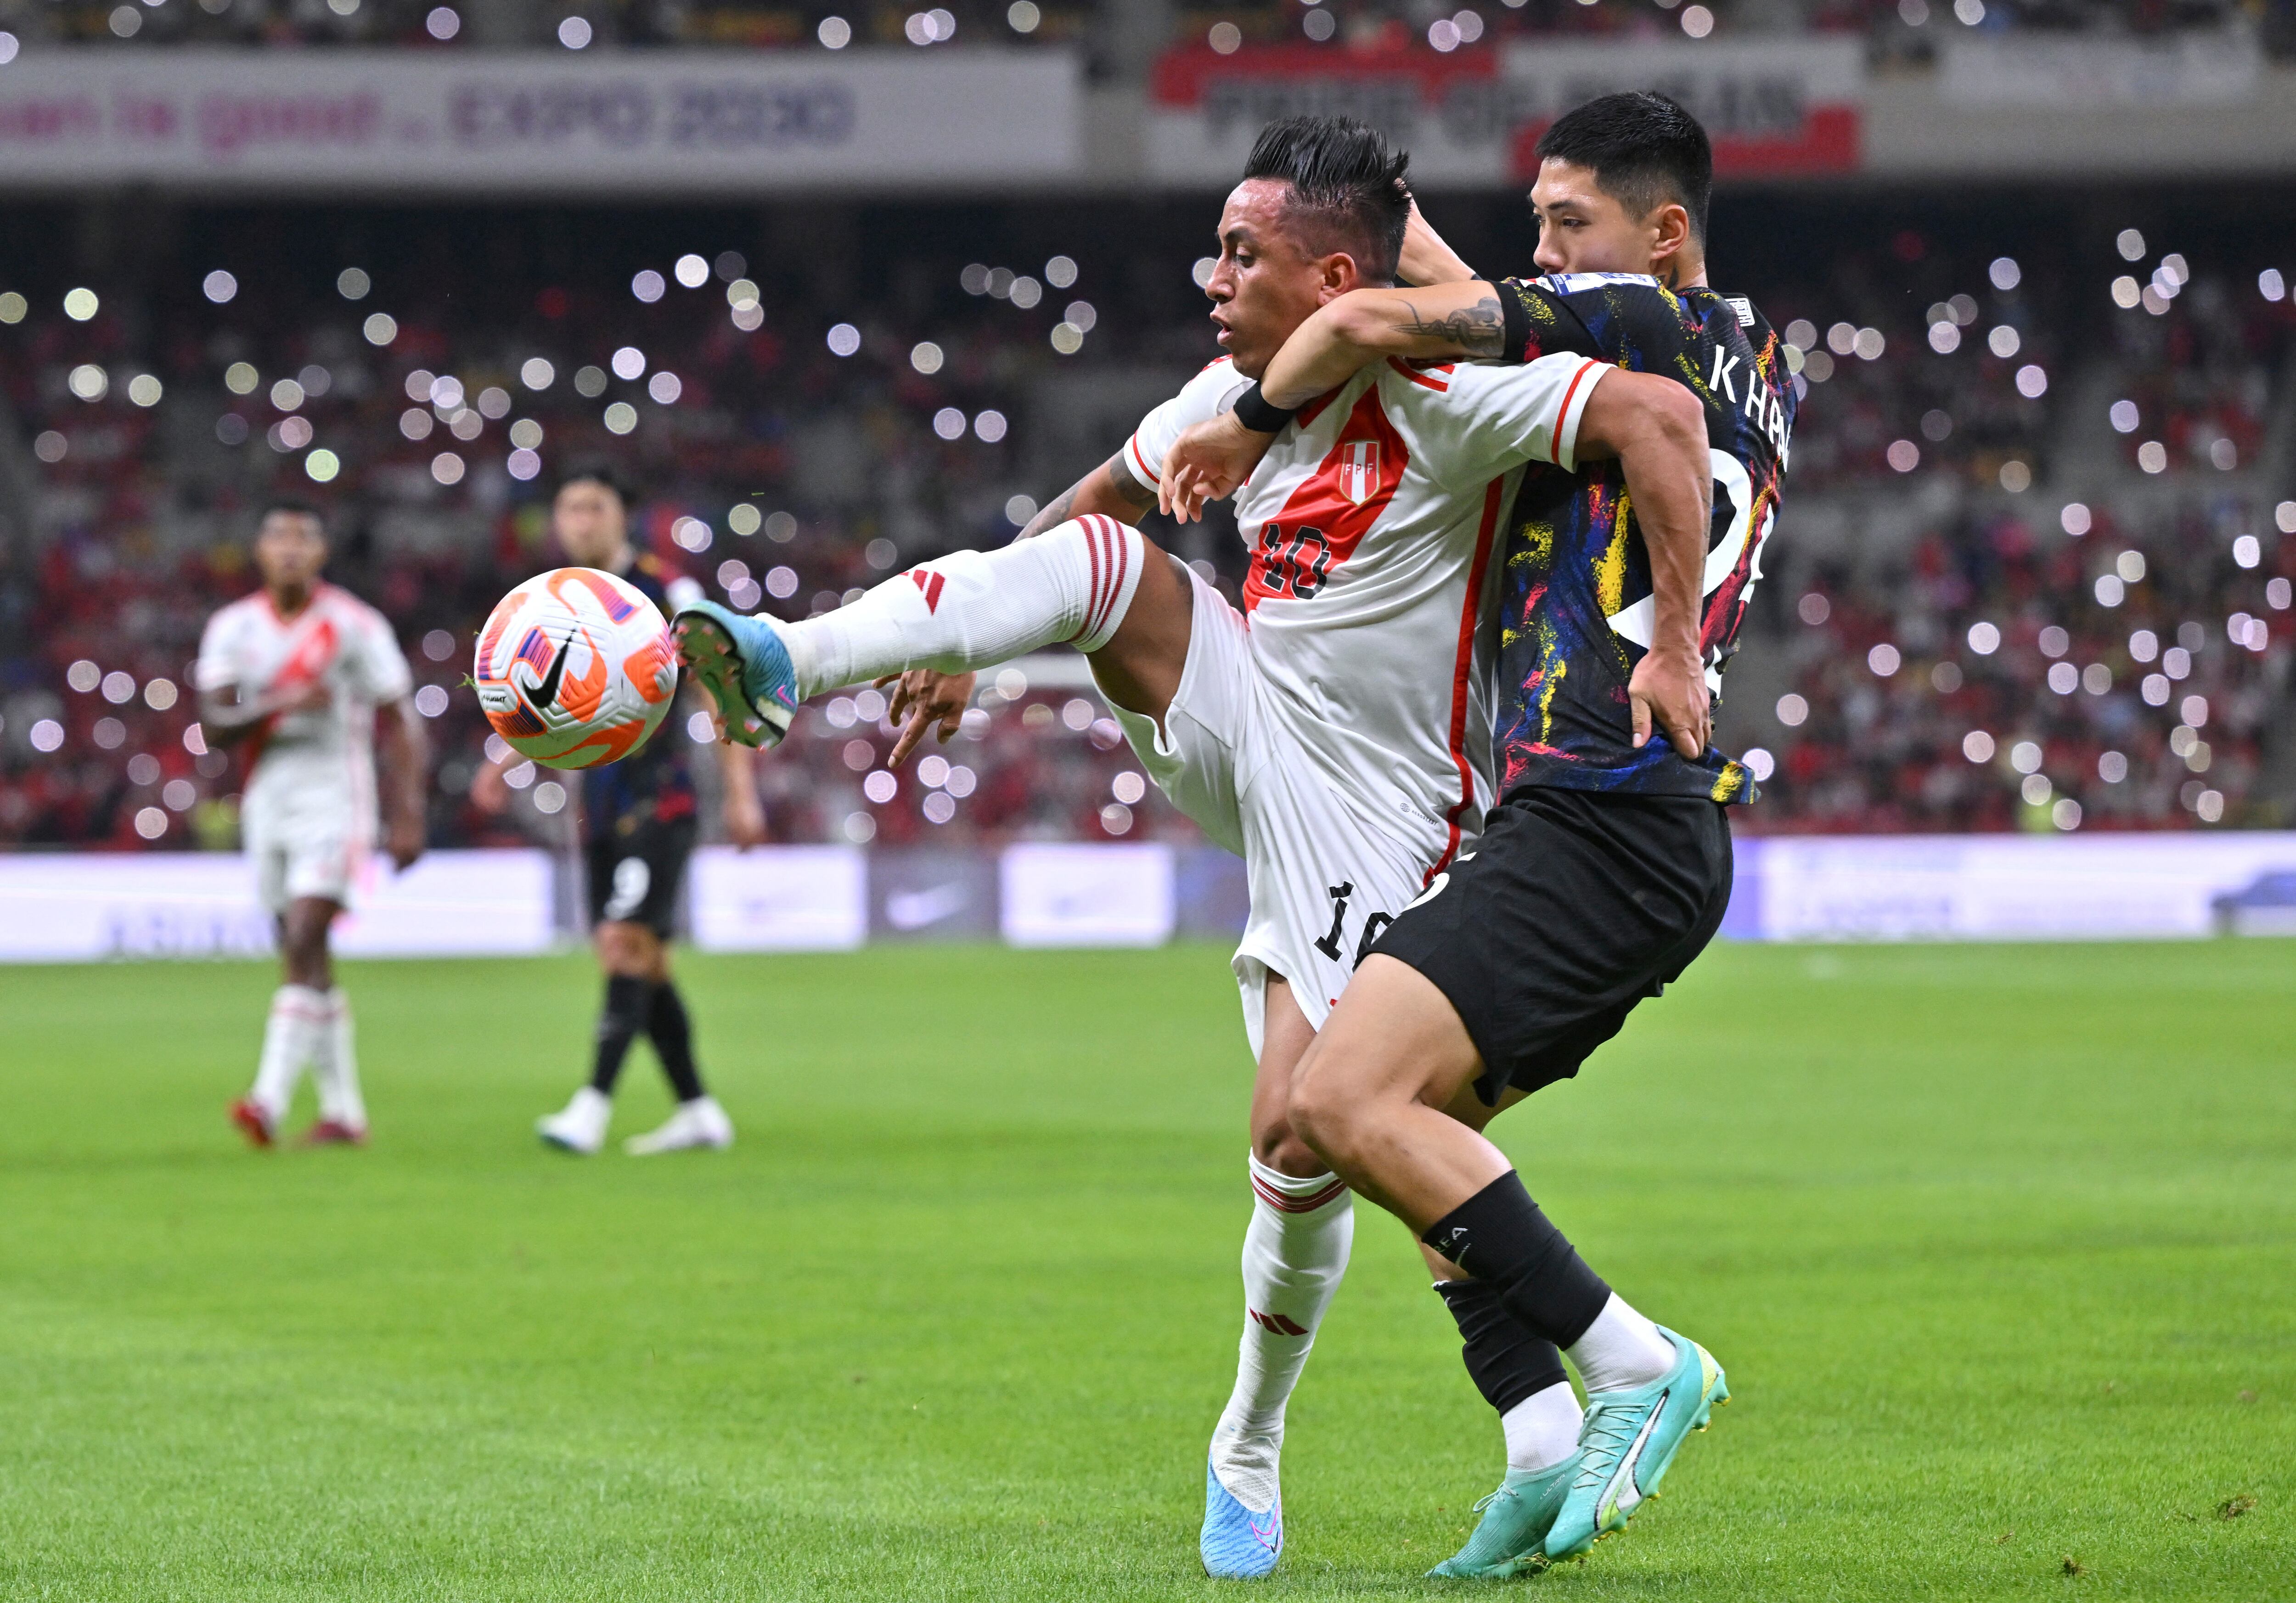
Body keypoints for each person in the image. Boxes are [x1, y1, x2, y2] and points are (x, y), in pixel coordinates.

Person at [667, 116, 1713, 1578]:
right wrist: (969, 633)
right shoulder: (1227, 398)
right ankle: (788, 654)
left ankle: (1268, 1435)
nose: (1210, 275)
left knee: (1300, 1139)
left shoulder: (1456, 397)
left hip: (1392, 808)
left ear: (1332, 274)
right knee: (1104, 566)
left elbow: (1651, 420)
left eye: (1242, 252)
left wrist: (1676, 642)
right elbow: (1090, 507)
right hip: (1249, 712)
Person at [1165, 90, 1791, 1572]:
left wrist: (1246, 427)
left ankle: (1638, 1367)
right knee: (1414, 1149)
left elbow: (1376, 315)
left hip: (1605, 812)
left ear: (1663, 233)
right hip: (1617, 827)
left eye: (1569, 224)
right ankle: (1534, 1436)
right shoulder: (1744, 344)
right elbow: (1434, 275)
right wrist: (1373, 181)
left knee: (1337, 1101)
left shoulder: (1637, 327)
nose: (1544, 253)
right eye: (1538, 227)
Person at [474, 465, 765, 1157]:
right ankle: (698, 1110)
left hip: (660, 798)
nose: (578, 520)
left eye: (592, 506)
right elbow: (558, 703)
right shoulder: (559, 603)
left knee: (621, 945)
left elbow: (716, 690)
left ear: (622, 517)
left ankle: (592, 1106)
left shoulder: (668, 592)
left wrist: (742, 792)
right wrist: (505, 760)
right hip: (600, 803)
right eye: (568, 508)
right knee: (646, 962)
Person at [199, 499, 428, 1148]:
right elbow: (214, 726)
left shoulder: (354, 625)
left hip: (336, 795)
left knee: (304, 934)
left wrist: (409, 813)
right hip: (267, 796)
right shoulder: (232, 628)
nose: (291, 549)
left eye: (304, 538)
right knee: (303, 951)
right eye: (279, 537)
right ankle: (344, 1116)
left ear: (322, 553)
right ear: (261, 551)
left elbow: (401, 717)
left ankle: (267, 1101)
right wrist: (281, 702)